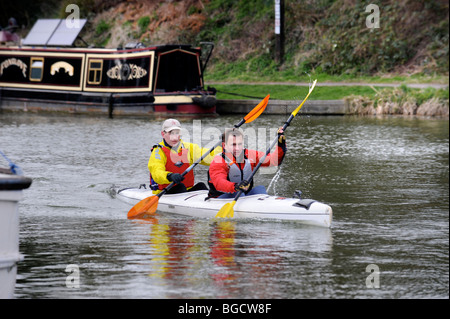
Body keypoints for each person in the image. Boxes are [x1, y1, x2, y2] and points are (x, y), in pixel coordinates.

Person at [207, 127, 286, 198]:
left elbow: (274, 160)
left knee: (260, 189)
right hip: (220, 198)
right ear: (224, 145)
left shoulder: (250, 155)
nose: (237, 148)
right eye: (233, 145)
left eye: (240, 144)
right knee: (238, 194)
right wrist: (236, 186)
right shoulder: (218, 161)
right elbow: (219, 183)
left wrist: (280, 145)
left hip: (244, 196)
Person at [148, 119, 221, 194]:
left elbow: (209, 157)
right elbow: (156, 172)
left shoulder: (188, 147)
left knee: (201, 186)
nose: (175, 137)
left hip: (186, 191)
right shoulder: (158, 151)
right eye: (171, 133)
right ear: (163, 134)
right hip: (165, 191)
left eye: (177, 133)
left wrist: (224, 148)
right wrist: (169, 176)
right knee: (180, 186)